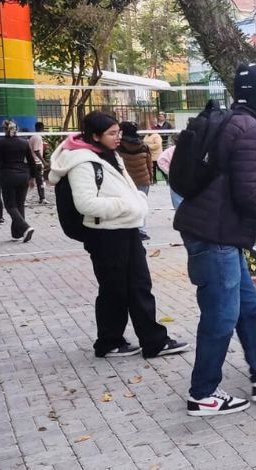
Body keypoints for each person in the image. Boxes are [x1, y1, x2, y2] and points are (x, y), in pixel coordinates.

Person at [174, 63, 256, 416]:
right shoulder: (250, 129)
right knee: (221, 315)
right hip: (214, 235)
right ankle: (202, 394)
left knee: (248, 307)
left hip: (218, 233)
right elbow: (249, 194)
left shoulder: (233, 120)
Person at [48, 111, 188, 358]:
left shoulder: (110, 155)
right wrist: (128, 207)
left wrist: (138, 202)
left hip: (126, 230)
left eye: (118, 132)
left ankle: (153, 341)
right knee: (114, 290)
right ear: (95, 136)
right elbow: (86, 204)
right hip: (104, 235)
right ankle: (109, 342)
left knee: (139, 285)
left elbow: (126, 189)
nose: (118, 137)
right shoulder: (82, 162)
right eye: (112, 134)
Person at [0, 120, 36, 242]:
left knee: (10, 206)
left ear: (4, 130)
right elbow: (31, 161)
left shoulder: (1, 143)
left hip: (8, 176)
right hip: (23, 176)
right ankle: (17, 234)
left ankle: (26, 227)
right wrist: (33, 177)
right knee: (19, 205)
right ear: (17, 129)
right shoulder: (24, 142)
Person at [117, 122, 153, 241]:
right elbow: (149, 164)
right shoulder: (143, 146)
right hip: (143, 180)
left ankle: (128, 229)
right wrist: (150, 178)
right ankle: (141, 231)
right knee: (141, 204)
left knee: (126, 205)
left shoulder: (118, 147)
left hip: (125, 181)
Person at [155, 132, 183, 209]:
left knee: (177, 200)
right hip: (189, 177)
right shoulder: (191, 148)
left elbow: (160, 160)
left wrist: (168, 171)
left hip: (175, 177)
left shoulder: (170, 150)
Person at [28, 122, 48, 204]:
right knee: (40, 181)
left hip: (33, 163)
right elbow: (36, 151)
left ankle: (42, 198)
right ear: (42, 128)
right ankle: (42, 198)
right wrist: (44, 162)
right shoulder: (37, 137)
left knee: (32, 182)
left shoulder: (33, 137)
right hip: (36, 163)